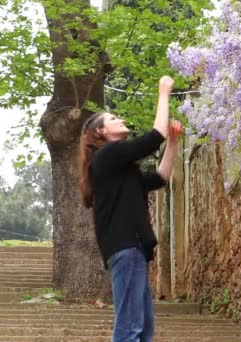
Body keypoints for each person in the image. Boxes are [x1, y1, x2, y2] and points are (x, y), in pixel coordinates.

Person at [78, 76, 183, 341]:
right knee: (130, 329)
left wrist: (172, 143)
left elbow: (159, 178)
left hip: (133, 251)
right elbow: (153, 137)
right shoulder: (107, 156)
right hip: (125, 250)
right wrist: (163, 92)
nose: (120, 119)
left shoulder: (120, 170)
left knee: (143, 329)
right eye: (113, 118)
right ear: (100, 132)